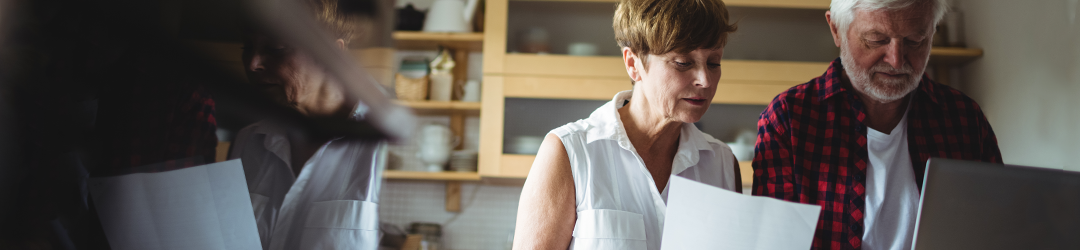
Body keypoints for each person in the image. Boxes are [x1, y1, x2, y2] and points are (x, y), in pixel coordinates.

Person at [751, 0, 1003, 249]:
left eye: (915, 40)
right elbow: (773, 243)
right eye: (876, 39)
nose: (896, 60)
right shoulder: (789, 119)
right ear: (836, 29)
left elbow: (996, 231)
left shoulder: (964, 119)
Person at [513, 0, 740, 249]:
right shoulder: (569, 152)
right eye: (683, 63)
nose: (705, 80)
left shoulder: (723, 163)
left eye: (714, 62)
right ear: (633, 64)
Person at [228, 0, 385, 249]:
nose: (252, 63)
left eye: (276, 48)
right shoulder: (248, 142)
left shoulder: (384, 146)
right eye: (248, 47)